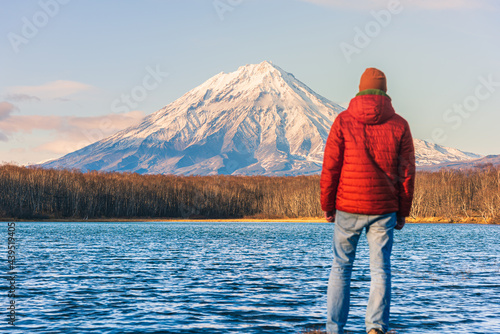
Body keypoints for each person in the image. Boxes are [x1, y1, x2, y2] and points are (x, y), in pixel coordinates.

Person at [320, 68, 415, 334]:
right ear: (385, 91)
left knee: (340, 268)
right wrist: (402, 212)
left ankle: (334, 329)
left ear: (360, 90)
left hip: (347, 208)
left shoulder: (342, 121)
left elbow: (330, 169)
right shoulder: (399, 124)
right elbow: (407, 174)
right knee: (381, 270)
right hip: (384, 208)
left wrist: (327, 206)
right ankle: (375, 328)